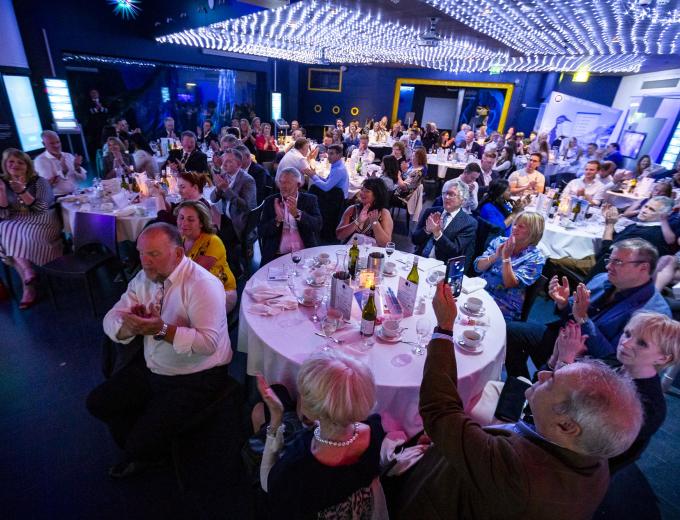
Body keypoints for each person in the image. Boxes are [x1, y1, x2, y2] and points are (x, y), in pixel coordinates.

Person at [396, 282, 643, 520]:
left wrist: (445, 328)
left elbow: (440, 411)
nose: (543, 374)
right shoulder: (592, 461)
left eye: (552, 379)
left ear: (567, 426)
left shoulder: (518, 474)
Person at [87, 223, 232, 478]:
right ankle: (146, 444)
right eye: (141, 253)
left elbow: (208, 344)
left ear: (177, 254)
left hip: (197, 376)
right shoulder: (144, 278)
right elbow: (111, 318)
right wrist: (127, 327)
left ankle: (148, 450)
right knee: (97, 403)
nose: (145, 262)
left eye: (153, 254)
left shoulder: (202, 285)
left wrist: (161, 330)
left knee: (134, 444)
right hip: (152, 367)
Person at [505, 238, 671, 378]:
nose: (608, 267)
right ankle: (519, 385)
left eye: (618, 262)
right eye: (609, 260)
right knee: (509, 332)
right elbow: (573, 313)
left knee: (544, 376)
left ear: (643, 268)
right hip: (563, 339)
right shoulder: (602, 279)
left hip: (592, 367)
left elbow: (612, 359)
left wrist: (583, 319)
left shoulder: (651, 313)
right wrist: (563, 303)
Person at [257, 350, 385, 519]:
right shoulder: (375, 429)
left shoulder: (297, 465)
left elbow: (267, 484)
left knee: (259, 412)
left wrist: (276, 418)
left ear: (309, 410)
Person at [546, 313, 680, 473]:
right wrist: (557, 357)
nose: (626, 343)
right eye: (628, 333)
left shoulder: (650, 408)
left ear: (663, 359)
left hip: (577, 467)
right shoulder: (614, 362)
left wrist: (565, 361)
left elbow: (583, 437)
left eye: (642, 343)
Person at [0, 149, 62, 309]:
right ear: (5, 165)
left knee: (6, 232)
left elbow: (41, 208)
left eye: (20, 162)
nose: (15, 165)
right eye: (11, 162)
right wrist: (2, 194)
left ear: (28, 166)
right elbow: (4, 214)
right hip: (16, 223)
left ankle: (28, 285)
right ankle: (28, 279)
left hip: (44, 220)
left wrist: (21, 191)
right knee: (5, 228)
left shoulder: (40, 182)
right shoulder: (3, 183)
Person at [473, 211, 546, 321]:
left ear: (533, 232)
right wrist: (495, 255)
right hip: (480, 291)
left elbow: (510, 283)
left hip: (503, 304)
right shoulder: (500, 241)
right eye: (515, 224)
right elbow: (477, 267)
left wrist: (506, 258)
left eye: (521, 226)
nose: (515, 228)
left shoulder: (535, 258)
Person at [175, 201, 237, 313]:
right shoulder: (182, 239)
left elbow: (192, 274)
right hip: (195, 292)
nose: (183, 223)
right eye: (181, 217)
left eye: (190, 219)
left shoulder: (212, 241)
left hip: (221, 293)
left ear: (201, 223)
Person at [258, 167, 322, 265]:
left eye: (287, 183)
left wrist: (297, 214)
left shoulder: (310, 200)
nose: (282, 186)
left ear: (298, 184)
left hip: (304, 252)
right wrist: (277, 220)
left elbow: (317, 225)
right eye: (281, 182)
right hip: (277, 254)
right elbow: (261, 231)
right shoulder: (271, 201)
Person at [412, 180, 477, 267]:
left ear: (463, 200)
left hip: (441, 267)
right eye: (445, 193)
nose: (446, 197)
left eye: (451, 194)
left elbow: (455, 251)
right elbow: (414, 240)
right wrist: (427, 230)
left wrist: (437, 233)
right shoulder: (431, 211)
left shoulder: (469, 223)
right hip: (419, 260)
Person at [210, 148, 257, 256]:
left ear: (239, 164)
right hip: (225, 218)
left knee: (217, 241)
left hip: (240, 222)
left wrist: (227, 189)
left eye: (229, 161)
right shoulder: (224, 176)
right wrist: (218, 189)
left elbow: (246, 207)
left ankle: (234, 268)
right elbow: (213, 199)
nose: (224, 164)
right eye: (224, 160)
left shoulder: (248, 180)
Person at [336, 177, 393, 246]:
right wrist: (357, 221)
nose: (362, 193)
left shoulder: (383, 213)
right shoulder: (352, 209)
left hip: (372, 255)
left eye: (367, 191)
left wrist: (375, 223)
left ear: (376, 195)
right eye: (362, 189)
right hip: (350, 252)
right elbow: (339, 236)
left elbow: (386, 244)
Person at [34, 130, 87, 196]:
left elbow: (83, 178)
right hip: (58, 198)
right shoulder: (40, 160)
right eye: (52, 143)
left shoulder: (68, 156)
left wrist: (77, 167)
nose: (56, 145)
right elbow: (46, 185)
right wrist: (63, 172)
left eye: (58, 142)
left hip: (76, 194)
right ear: (44, 144)